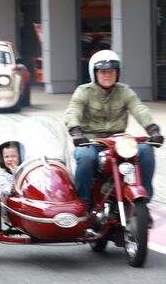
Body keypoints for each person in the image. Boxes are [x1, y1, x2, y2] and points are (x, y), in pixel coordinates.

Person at [64, 49, 163, 211]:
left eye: (112, 71)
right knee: (86, 157)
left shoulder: (125, 91)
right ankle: (84, 204)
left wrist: (153, 130)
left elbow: (139, 109)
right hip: (90, 142)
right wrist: (76, 132)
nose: (107, 75)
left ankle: (144, 203)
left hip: (118, 143)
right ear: (94, 73)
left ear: (117, 73)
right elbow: (72, 112)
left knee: (146, 150)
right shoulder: (83, 91)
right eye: (103, 71)